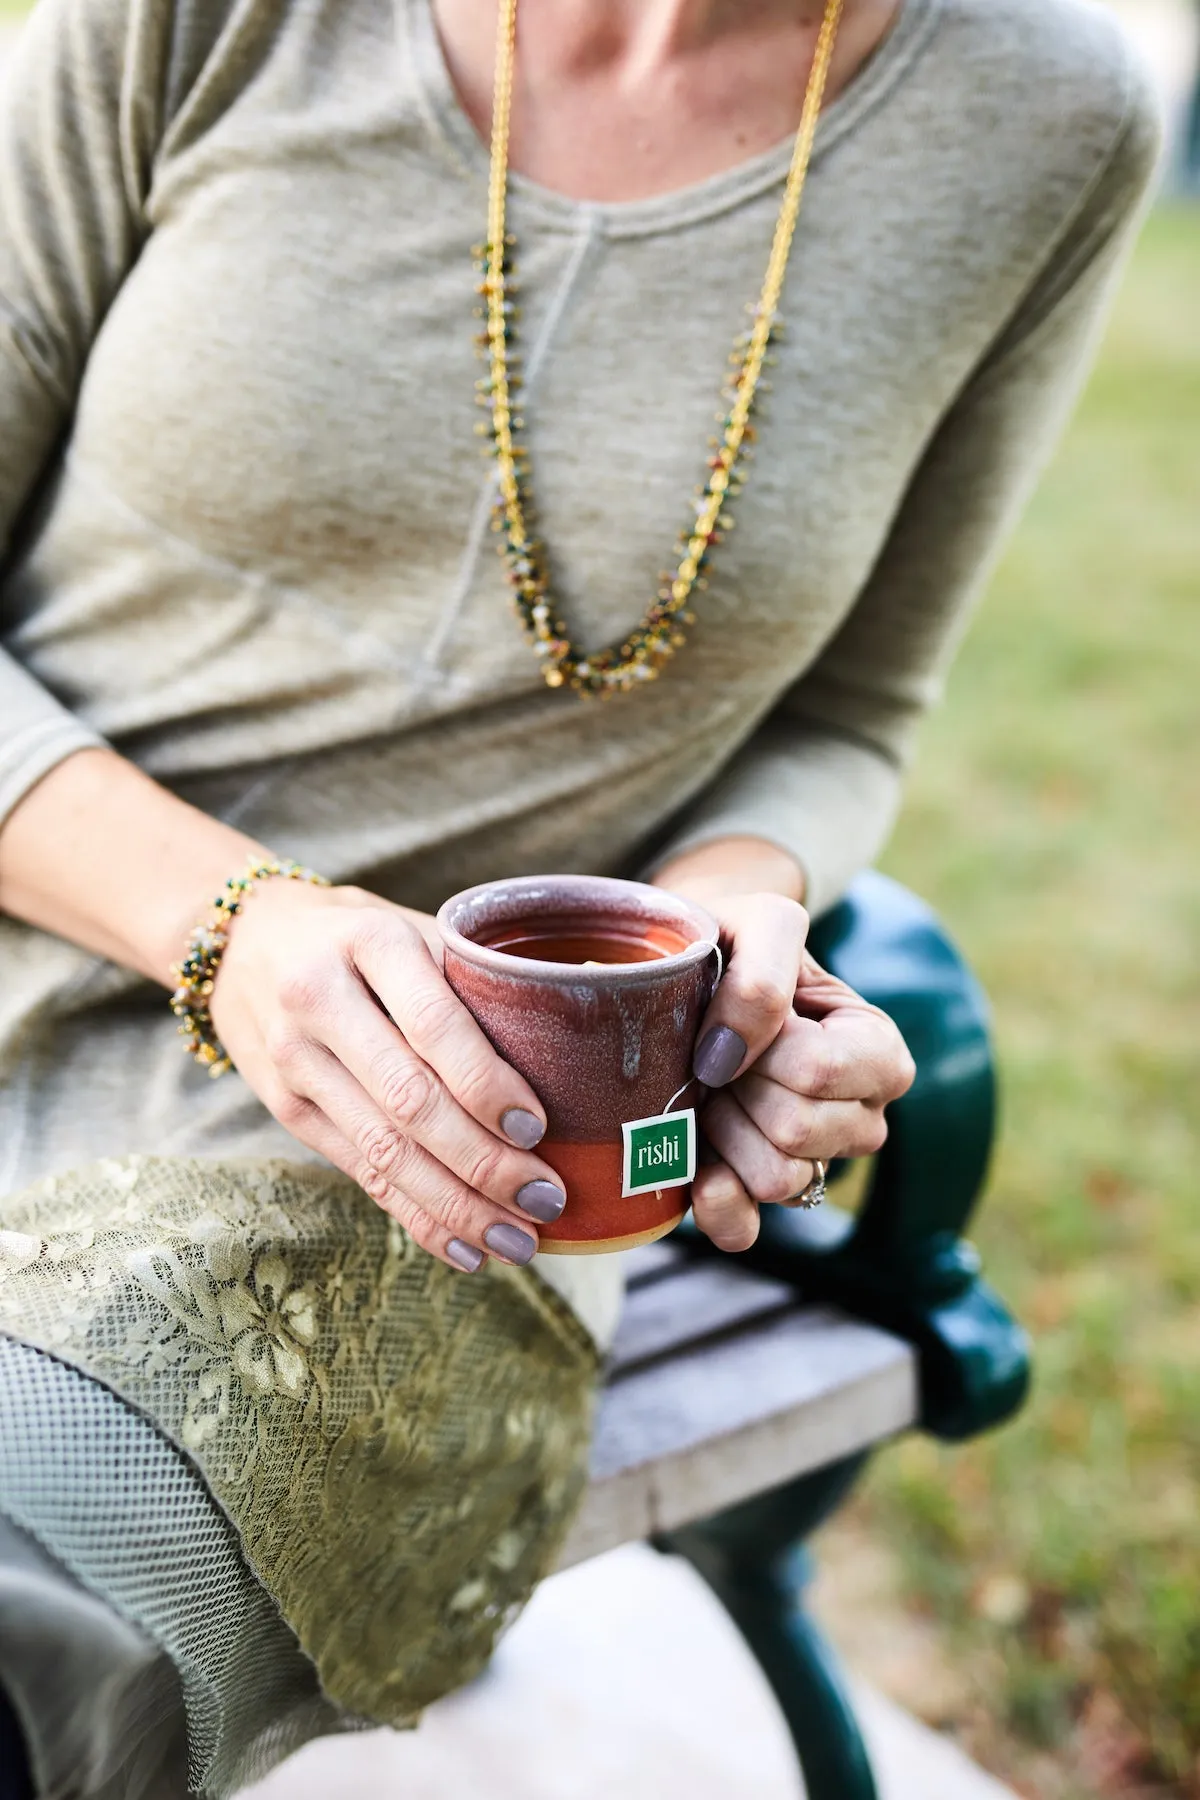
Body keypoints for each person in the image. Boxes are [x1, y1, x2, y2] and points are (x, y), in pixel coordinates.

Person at [0, 0, 1159, 1792]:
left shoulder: (1045, 117)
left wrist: (730, 929)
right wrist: (224, 928)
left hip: (421, 1171)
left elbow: (853, 714)